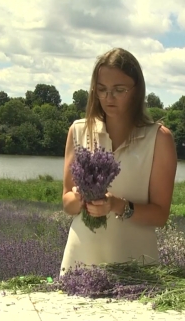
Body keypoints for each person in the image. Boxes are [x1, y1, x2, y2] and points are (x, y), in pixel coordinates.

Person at [60, 47, 177, 275]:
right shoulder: (78, 130)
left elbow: (160, 215)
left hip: (137, 264)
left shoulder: (158, 138)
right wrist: (82, 197)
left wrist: (116, 205)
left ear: (137, 91)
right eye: (101, 89)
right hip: (81, 261)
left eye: (119, 90)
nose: (108, 98)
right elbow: (66, 203)